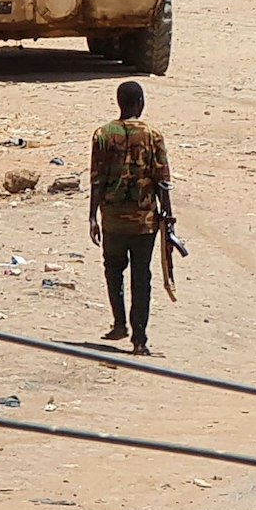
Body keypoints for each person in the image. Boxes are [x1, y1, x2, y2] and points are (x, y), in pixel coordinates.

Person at [89, 81, 174, 356]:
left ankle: (119, 323)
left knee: (113, 271)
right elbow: (163, 181)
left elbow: (96, 180)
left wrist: (91, 216)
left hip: (112, 219)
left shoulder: (102, 134)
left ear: (119, 102)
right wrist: (168, 217)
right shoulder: (153, 135)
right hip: (144, 222)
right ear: (140, 102)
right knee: (142, 277)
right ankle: (140, 339)